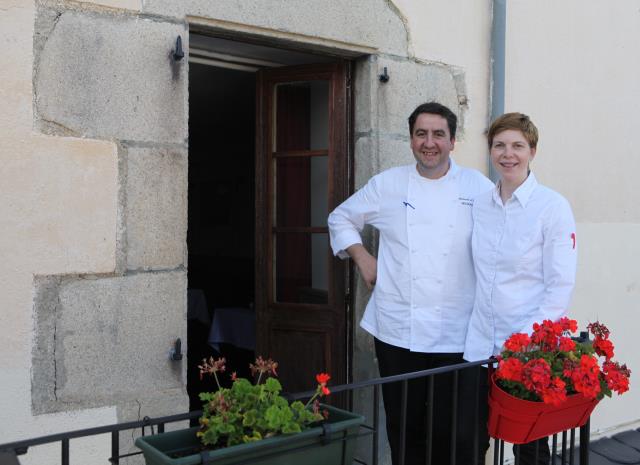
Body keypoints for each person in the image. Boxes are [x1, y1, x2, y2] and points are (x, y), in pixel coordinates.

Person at [328, 102, 493, 465]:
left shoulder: (477, 187)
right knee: (405, 426)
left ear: (452, 141)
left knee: (459, 431)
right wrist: (362, 257)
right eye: (421, 134)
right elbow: (340, 218)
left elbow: (503, 241)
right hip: (399, 328)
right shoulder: (388, 184)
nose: (429, 142)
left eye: (438, 134)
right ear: (411, 139)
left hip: (459, 332)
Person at [463, 112, 578, 465]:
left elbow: (559, 287)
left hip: (527, 350)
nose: (507, 154)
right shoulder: (481, 203)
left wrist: (524, 344)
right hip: (478, 345)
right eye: (499, 145)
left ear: (532, 151)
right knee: (470, 438)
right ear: (490, 150)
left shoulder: (552, 207)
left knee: (529, 447)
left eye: (517, 146)